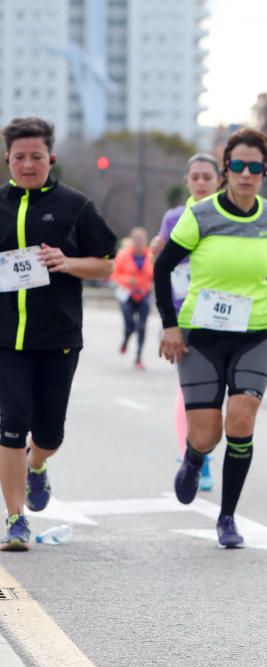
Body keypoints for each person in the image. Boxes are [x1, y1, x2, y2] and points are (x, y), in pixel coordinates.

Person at [153, 128, 267, 548]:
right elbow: (163, 266)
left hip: (255, 332)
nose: (245, 173)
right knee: (207, 434)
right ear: (225, 170)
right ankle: (193, 456)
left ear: (264, 172)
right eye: (237, 165)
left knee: (241, 420)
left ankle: (227, 517)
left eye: (255, 167)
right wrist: (170, 323)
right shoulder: (201, 214)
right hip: (200, 335)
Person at [0, 117, 117, 550]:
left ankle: (38, 462)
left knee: (49, 433)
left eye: (36, 157)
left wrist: (66, 262)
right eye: (18, 157)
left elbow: (106, 263)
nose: (27, 165)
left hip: (58, 335)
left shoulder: (76, 206)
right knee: (10, 423)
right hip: (7, 337)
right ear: (7, 160)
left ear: (51, 157)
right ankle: (15, 519)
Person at [152, 153, 223, 491]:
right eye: (194, 177)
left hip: (224, 312)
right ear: (186, 181)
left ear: (218, 180)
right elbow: (165, 262)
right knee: (191, 390)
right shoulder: (175, 217)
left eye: (207, 177)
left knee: (218, 390)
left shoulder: (229, 217)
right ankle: (195, 456)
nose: (200, 183)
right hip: (185, 311)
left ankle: (200, 448)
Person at [112, 227, 154, 369]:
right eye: (136, 240)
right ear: (131, 240)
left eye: (142, 240)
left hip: (144, 294)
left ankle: (138, 357)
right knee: (130, 324)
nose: (139, 243)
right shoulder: (123, 255)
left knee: (142, 326)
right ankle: (126, 339)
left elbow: (155, 274)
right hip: (127, 294)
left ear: (146, 241)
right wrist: (127, 280)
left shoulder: (150, 256)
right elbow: (114, 273)